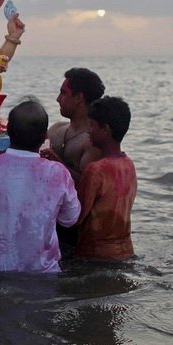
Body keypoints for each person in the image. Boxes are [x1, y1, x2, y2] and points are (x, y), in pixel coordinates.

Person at [0, 98, 80, 273]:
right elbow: (70, 218)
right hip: (41, 275)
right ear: (44, 137)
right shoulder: (57, 173)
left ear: (8, 131)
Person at [74, 96, 137, 261]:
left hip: (96, 256)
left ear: (105, 129)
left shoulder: (96, 170)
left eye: (92, 126)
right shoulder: (129, 164)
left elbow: (76, 218)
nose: (88, 131)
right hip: (126, 252)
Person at [44, 67, 106, 184]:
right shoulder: (55, 129)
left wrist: (57, 164)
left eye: (63, 93)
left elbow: (87, 186)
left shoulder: (93, 142)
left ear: (78, 98)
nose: (58, 99)